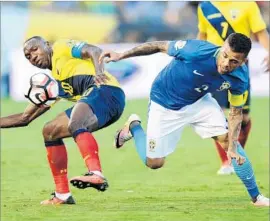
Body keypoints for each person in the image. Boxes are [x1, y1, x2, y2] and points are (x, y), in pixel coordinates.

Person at [99, 33, 269, 207]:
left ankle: (256, 197)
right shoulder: (195, 50)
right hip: (164, 102)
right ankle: (134, 126)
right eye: (225, 55)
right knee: (154, 163)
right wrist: (121, 55)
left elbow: (235, 113)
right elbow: (159, 45)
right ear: (222, 47)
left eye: (234, 61)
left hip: (199, 102)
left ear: (243, 61)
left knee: (229, 142)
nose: (226, 64)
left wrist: (232, 146)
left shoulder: (240, 77)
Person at [0, 36, 125, 205]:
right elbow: (25, 118)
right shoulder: (55, 85)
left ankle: (96, 174)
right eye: (28, 56)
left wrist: (99, 72)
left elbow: (94, 50)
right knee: (50, 131)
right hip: (99, 105)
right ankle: (62, 195)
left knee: (75, 123)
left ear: (46, 45)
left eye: (34, 49)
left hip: (106, 91)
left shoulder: (61, 48)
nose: (32, 57)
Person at [197, 1, 270, 175]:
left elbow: (260, 32)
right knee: (221, 116)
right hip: (215, 67)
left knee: (243, 118)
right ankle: (226, 161)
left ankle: (234, 155)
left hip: (239, 67)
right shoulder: (205, 7)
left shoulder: (247, 4)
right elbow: (202, 35)